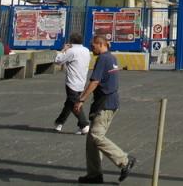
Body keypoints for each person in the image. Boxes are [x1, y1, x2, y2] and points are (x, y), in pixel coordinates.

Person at [74, 34, 136, 183]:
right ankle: (94, 174)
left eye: (93, 45)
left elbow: (95, 82)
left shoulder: (102, 59)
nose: (91, 48)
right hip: (110, 102)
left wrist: (81, 99)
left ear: (100, 44)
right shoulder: (112, 58)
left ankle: (124, 160)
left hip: (105, 104)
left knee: (96, 136)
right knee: (91, 142)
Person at [53, 32, 92, 135]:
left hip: (72, 82)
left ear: (71, 41)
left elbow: (57, 60)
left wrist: (63, 49)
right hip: (82, 80)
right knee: (70, 103)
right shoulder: (86, 50)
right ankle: (59, 123)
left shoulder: (71, 51)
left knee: (74, 103)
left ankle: (84, 124)